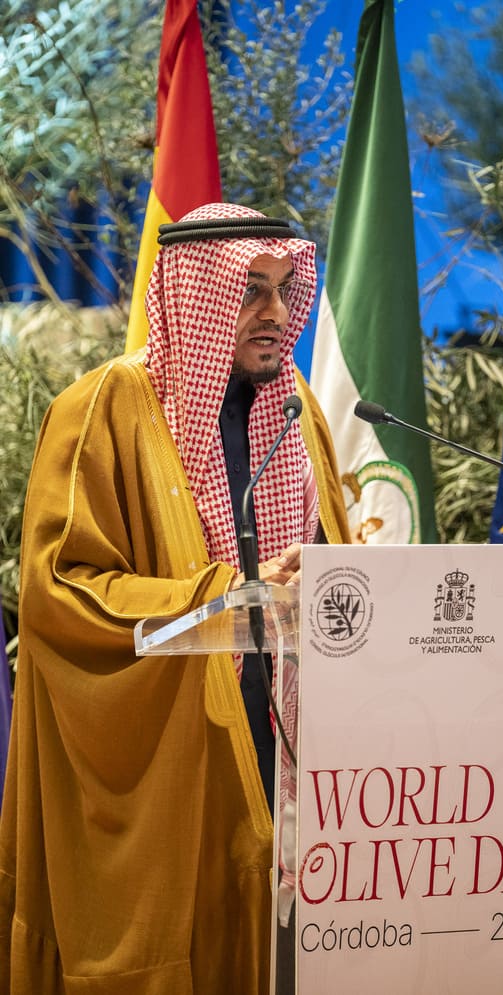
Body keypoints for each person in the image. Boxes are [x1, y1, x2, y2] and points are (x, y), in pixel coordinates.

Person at [0, 202, 350, 995]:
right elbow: (63, 591)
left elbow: (331, 556)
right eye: (250, 290)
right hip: (174, 754)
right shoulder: (103, 409)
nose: (275, 311)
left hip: (292, 750)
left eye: (286, 289)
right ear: (195, 294)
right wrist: (224, 594)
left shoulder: (297, 410)